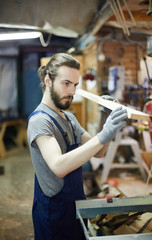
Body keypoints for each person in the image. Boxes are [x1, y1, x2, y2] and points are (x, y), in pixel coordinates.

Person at [27, 53, 127, 240]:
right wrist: (104, 134)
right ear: (48, 80)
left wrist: (107, 120)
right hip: (53, 212)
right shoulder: (40, 121)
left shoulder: (69, 118)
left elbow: (99, 151)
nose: (72, 91)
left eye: (75, 85)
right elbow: (59, 166)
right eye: (66, 83)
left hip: (76, 205)